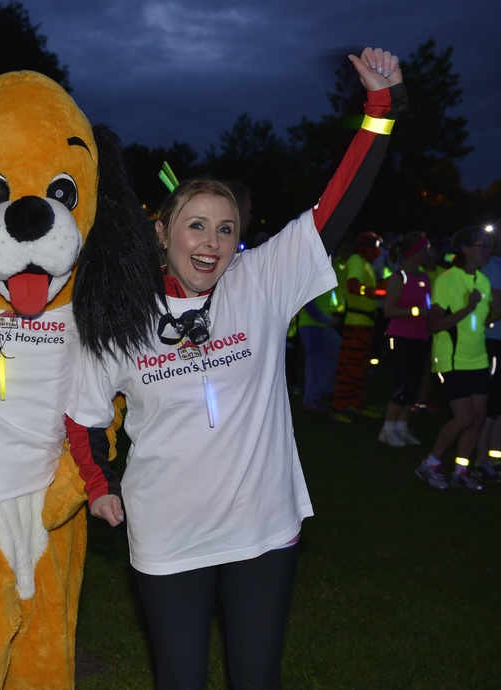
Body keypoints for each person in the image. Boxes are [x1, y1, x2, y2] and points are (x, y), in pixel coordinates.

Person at [65, 47, 404, 689]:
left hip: (261, 528)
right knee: (180, 677)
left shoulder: (259, 282)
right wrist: (98, 483)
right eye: (196, 226)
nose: (212, 242)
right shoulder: (121, 313)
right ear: (162, 233)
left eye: (225, 229)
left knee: (255, 677)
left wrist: (380, 109)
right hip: (168, 531)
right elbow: (82, 413)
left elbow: (335, 209)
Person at [415, 226, 498, 491]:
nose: (488, 251)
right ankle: (430, 463)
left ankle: (461, 469)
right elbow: (434, 324)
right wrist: (468, 308)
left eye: (489, 247)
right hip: (451, 359)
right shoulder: (447, 280)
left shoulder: (483, 281)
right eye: (482, 246)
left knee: (478, 418)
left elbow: (483, 321)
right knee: (463, 418)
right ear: (465, 249)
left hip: (478, 359)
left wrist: (492, 313)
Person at [377, 232, 433, 446]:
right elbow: (389, 310)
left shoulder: (424, 278)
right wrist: (416, 312)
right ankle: (388, 429)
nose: (428, 253)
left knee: (414, 384)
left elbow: (428, 305)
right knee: (402, 383)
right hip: (400, 337)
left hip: (420, 336)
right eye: (424, 249)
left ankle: (401, 427)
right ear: (414, 252)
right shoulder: (398, 278)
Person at [330, 230, 383, 421]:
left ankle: (354, 404)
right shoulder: (356, 261)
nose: (378, 251)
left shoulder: (366, 264)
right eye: (376, 247)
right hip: (356, 324)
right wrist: (375, 292)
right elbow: (353, 286)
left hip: (365, 323)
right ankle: (339, 407)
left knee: (360, 368)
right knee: (350, 366)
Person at [476, 219, 501, 479]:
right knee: (491, 403)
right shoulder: (493, 265)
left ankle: (495, 458)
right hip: (494, 340)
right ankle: (480, 460)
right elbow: (497, 309)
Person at [297, 284, 345, 413]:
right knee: (315, 365)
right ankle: (312, 400)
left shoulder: (324, 279)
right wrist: (327, 320)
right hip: (313, 325)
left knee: (322, 363)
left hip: (321, 325)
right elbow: (309, 304)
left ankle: (320, 396)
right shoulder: (315, 278)